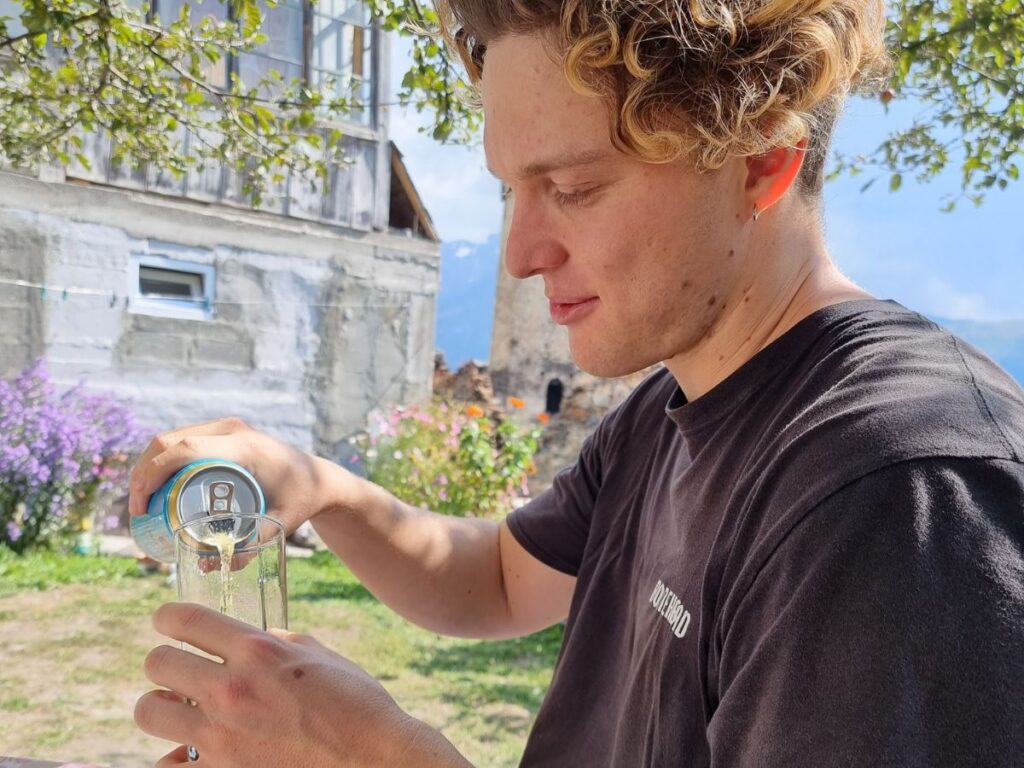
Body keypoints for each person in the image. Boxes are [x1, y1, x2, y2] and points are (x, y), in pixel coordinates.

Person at [129, 0, 1024, 765]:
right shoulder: (664, 410)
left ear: (760, 160)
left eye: (576, 186)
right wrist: (319, 485)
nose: (520, 254)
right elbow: (500, 581)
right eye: (513, 191)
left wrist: (373, 752)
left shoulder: (899, 494)